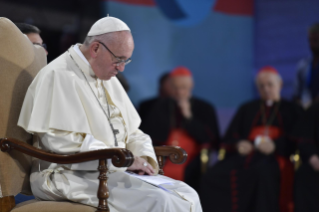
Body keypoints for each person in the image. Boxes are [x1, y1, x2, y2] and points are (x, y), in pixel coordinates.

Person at [18, 16, 202, 212]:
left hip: (109, 168)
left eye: (126, 61)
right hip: (65, 174)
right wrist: (122, 160)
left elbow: (132, 131)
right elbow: (59, 142)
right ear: (96, 48)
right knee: (160, 200)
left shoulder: (106, 75)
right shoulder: (58, 75)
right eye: (118, 60)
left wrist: (142, 159)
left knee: (188, 194)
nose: (121, 68)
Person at [200, 66, 304, 212]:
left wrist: (275, 145)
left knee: (261, 173)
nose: (266, 89)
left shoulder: (292, 109)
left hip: (275, 157)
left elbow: (298, 138)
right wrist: (239, 144)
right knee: (211, 176)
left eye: (270, 84)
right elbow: (231, 136)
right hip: (245, 156)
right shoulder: (247, 108)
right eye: (261, 86)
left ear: (279, 85)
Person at [140, 66, 220, 192]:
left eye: (183, 88)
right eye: (176, 88)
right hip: (164, 156)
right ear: (170, 87)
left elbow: (210, 139)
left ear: (191, 85)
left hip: (193, 158)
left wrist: (188, 116)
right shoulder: (159, 106)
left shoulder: (205, 107)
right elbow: (148, 135)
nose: (180, 92)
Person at [293, 103, 319, 212]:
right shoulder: (315, 109)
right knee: (303, 175)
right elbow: (304, 140)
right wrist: (313, 158)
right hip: (316, 163)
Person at [293, 23, 319, 108]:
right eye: (310, 40)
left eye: (316, 40)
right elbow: (296, 94)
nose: (313, 44)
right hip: (307, 112)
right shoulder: (303, 66)